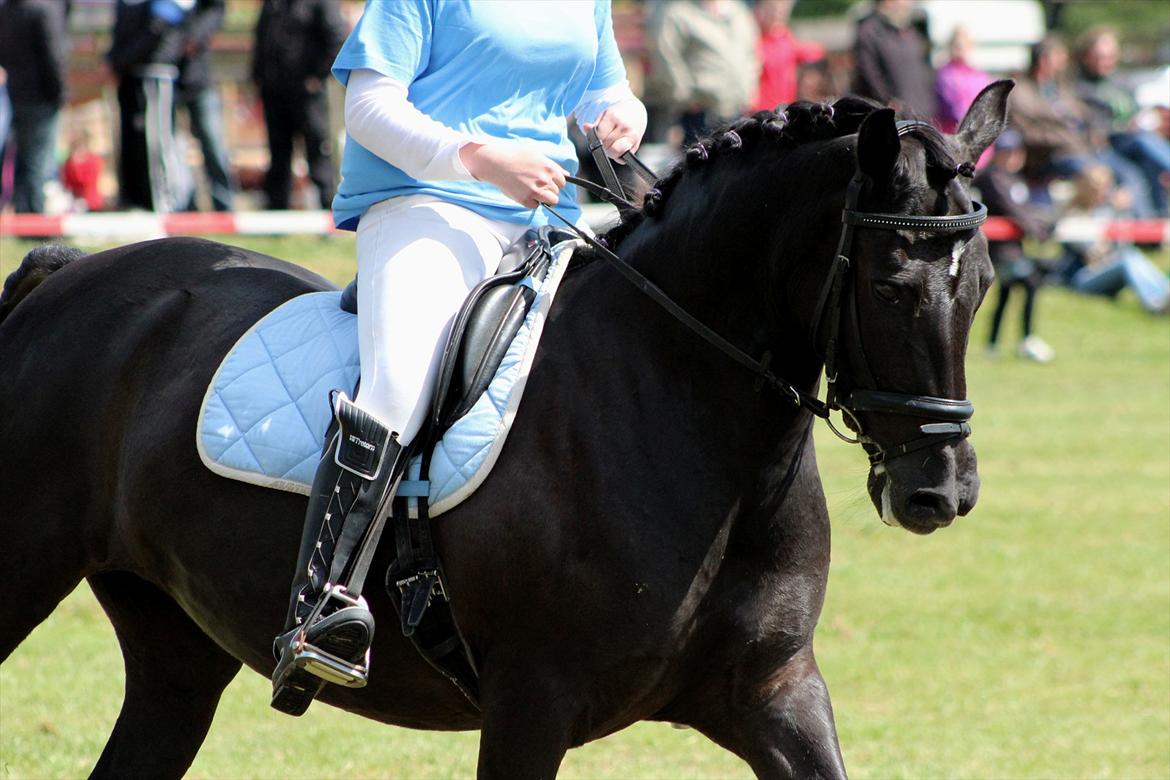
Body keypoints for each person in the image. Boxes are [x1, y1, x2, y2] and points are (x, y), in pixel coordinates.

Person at [269, 0, 647, 715]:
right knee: (400, 382)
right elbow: (368, 107)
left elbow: (606, 92)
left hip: (547, 220)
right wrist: (479, 157)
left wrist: (625, 115)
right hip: (430, 204)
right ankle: (319, 607)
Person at [251, 0, 348, 210]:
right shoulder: (274, 3)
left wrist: (317, 77)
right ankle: (277, 209)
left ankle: (328, 206)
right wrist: (258, 77)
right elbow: (262, 37)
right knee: (278, 153)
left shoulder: (321, 3)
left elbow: (336, 38)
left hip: (307, 92)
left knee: (318, 149)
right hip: (274, 89)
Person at [974, 129, 1056, 362]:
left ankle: (992, 344)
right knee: (1030, 283)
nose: (1013, 157)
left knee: (1006, 295)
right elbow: (1011, 208)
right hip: (998, 250)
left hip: (1014, 248)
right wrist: (1036, 230)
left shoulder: (1014, 179)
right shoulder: (991, 177)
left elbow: (1024, 209)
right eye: (1008, 152)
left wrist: (1041, 223)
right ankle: (1027, 340)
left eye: (1016, 152)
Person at [108, 0, 195, 211]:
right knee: (132, 145)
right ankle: (135, 201)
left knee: (157, 144)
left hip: (156, 73)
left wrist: (120, 60)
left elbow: (159, 25)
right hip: (129, 76)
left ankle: (166, 204)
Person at [1073, 26, 1169, 216]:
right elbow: (1091, 126)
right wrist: (1123, 126)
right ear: (1086, 56)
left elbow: (1137, 109)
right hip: (1106, 146)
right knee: (1138, 155)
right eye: (1101, 57)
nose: (1107, 62)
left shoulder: (1120, 82)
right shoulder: (1080, 88)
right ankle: (1145, 224)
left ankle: (1157, 220)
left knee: (1149, 162)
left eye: (1110, 56)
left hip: (1133, 143)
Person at [1059, 164, 1170, 315]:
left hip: (1107, 269)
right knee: (1127, 259)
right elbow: (1092, 253)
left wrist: (1120, 213)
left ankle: (1163, 294)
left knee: (1132, 255)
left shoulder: (1105, 212)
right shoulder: (1074, 215)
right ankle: (1155, 302)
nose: (1104, 194)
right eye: (1100, 189)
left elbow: (1124, 245)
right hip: (1081, 277)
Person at [646, 0, 759, 145]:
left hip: (737, 111)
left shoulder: (739, 12)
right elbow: (665, 55)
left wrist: (749, 91)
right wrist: (685, 96)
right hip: (700, 114)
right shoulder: (679, 12)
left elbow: (752, 54)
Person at [0, 0, 69, 214]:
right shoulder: (43, 9)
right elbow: (53, 54)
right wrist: (60, 92)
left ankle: (23, 210)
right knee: (38, 162)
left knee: (22, 160)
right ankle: (34, 214)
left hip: (15, 93)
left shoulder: (8, 9)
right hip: (41, 95)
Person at [175, 0, 235, 212]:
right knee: (175, 149)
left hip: (198, 78)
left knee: (212, 143)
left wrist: (194, 39)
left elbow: (216, 10)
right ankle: (184, 205)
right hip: (167, 77)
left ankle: (224, 204)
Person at [852, 0, 936, 120]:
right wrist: (887, 100)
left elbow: (925, 70)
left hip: (922, 112)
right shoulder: (869, 31)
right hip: (891, 116)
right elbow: (869, 73)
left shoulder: (913, 30)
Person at [751, 0, 824, 112]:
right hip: (761, 110)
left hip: (784, 107)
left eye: (781, 11)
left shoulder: (784, 37)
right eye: (772, 10)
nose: (777, 14)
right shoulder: (755, 42)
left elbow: (809, 52)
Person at [934, 26, 992, 135]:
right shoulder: (945, 74)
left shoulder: (979, 75)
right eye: (956, 45)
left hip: (977, 131)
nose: (959, 49)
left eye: (962, 45)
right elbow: (953, 106)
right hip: (953, 132)